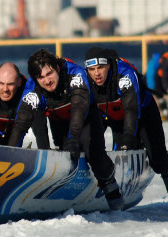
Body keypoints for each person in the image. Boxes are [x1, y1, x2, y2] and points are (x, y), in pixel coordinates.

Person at [7, 48, 124, 210]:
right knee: (66, 155)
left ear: (58, 68)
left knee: (91, 150)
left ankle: (109, 182)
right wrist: (10, 153)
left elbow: (79, 108)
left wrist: (74, 138)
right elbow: (21, 123)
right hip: (58, 119)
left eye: (49, 74)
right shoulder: (32, 88)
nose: (47, 81)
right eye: (41, 77)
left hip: (86, 115)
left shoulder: (74, 75)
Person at [84, 46, 168, 202]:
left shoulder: (124, 75)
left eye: (101, 68)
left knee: (156, 158)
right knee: (91, 146)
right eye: (92, 69)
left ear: (108, 65)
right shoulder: (85, 79)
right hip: (109, 113)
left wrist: (128, 138)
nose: (96, 73)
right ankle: (108, 184)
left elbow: (131, 110)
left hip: (142, 112)